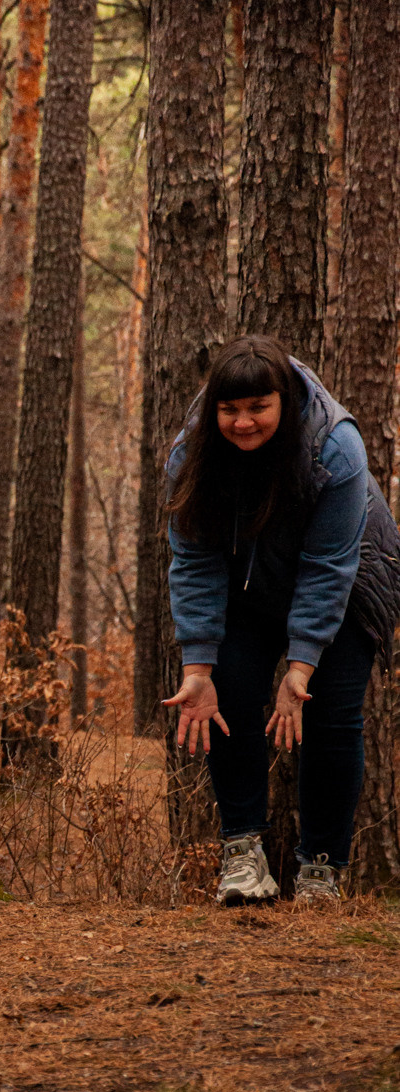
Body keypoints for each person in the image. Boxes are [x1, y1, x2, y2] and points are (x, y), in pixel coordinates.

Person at [162, 334, 400, 905]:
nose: (243, 423)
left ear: (283, 403)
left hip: (347, 581)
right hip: (250, 580)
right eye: (230, 410)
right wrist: (197, 665)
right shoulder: (191, 452)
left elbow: (328, 565)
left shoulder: (336, 447)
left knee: (332, 716)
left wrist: (301, 667)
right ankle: (243, 856)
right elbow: (193, 559)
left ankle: (321, 869)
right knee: (229, 696)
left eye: (257, 408)